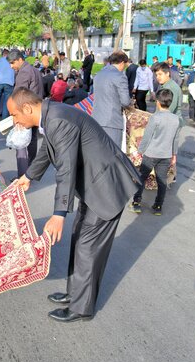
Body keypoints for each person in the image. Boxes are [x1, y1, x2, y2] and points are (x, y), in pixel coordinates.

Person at [9, 87, 140, 323]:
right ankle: (75, 293)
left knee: (88, 247)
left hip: (106, 187)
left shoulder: (57, 119)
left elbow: (66, 168)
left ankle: (82, 308)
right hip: (95, 186)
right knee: (80, 237)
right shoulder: (51, 115)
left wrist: (59, 214)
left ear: (27, 108)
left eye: (15, 116)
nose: (15, 121)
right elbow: (47, 153)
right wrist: (28, 176)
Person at [129, 89, 180, 216]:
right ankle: (158, 206)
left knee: (142, 177)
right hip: (166, 155)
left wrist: (139, 151)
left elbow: (147, 136)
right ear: (170, 102)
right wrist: (174, 155)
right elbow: (176, 138)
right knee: (162, 181)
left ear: (157, 102)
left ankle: (136, 203)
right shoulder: (176, 119)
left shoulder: (155, 118)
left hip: (151, 154)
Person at [8, 49, 44, 177]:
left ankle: (22, 175)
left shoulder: (24, 72)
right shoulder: (35, 70)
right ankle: (31, 172)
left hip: (24, 112)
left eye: (13, 63)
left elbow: (18, 96)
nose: (12, 66)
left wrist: (15, 116)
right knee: (32, 140)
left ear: (20, 60)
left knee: (21, 143)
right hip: (36, 110)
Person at [91, 51, 132, 148]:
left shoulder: (99, 74)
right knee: (113, 153)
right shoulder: (120, 76)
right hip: (112, 121)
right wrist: (131, 102)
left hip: (97, 118)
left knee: (100, 152)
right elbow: (125, 101)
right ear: (122, 62)